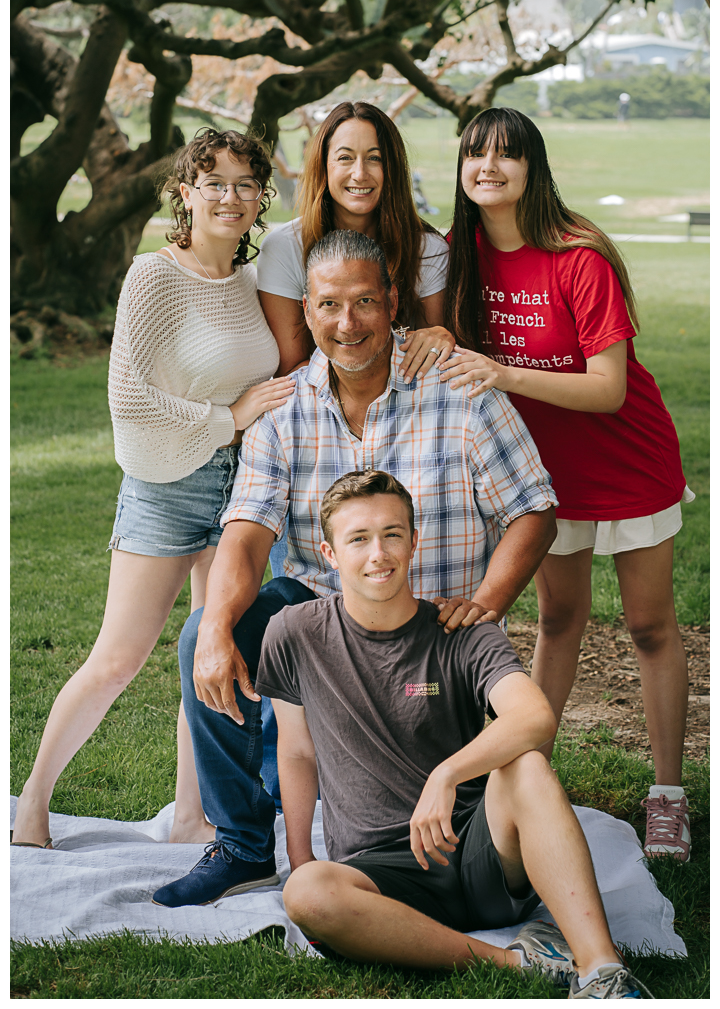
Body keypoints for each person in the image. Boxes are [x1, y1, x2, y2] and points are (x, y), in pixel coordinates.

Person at [151, 228, 557, 908]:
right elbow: (248, 535)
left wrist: (486, 602)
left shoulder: (459, 392)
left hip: (436, 636)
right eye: (330, 305)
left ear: (393, 300)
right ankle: (248, 847)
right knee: (204, 634)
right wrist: (219, 624)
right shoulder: (284, 412)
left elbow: (534, 510)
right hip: (330, 628)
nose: (348, 323)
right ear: (306, 310)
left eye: (365, 302)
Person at [260, 469, 653, 999]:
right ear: (329, 554)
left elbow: (533, 716)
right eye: (358, 539)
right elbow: (297, 750)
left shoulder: (461, 631)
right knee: (307, 893)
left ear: (414, 541)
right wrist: (302, 856)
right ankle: (520, 964)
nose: (378, 553)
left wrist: (447, 775)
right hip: (380, 876)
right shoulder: (294, 632)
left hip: (478, 853)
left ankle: (603, 972)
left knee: (526, 763)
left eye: (392, 534)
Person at [11, 128, 297, 851]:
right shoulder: (154, 275)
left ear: (260, 196)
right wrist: (228, 417)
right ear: (184, 193)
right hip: (166, 486)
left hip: (241, 494)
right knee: (118, 658)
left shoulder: (250, 280)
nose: (230, 197)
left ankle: (191, 816)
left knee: (211, 658)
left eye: (244, 184)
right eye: (214, 182)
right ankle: (32, 806)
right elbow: (129, 397)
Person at [439, 106, 692, 861]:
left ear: (532, 167)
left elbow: (610, 387)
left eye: (506, 155)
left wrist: (504, 371)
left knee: (649, 626)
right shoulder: (459, 256)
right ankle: (528, 778)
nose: (488, 167)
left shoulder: (578, 254)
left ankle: (668, 797)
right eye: (475, 154)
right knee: (558, 623)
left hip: (628, 462)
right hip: (544, 479)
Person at [256, 101, 454, 377]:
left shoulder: (427, 249)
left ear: (393, 167)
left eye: (375, 158)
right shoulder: (284, 247)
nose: (360, 174)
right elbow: (291, 369)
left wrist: (439, 338)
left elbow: (431, 360)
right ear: (323, 165)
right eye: (345, 158)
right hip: (316, 409)